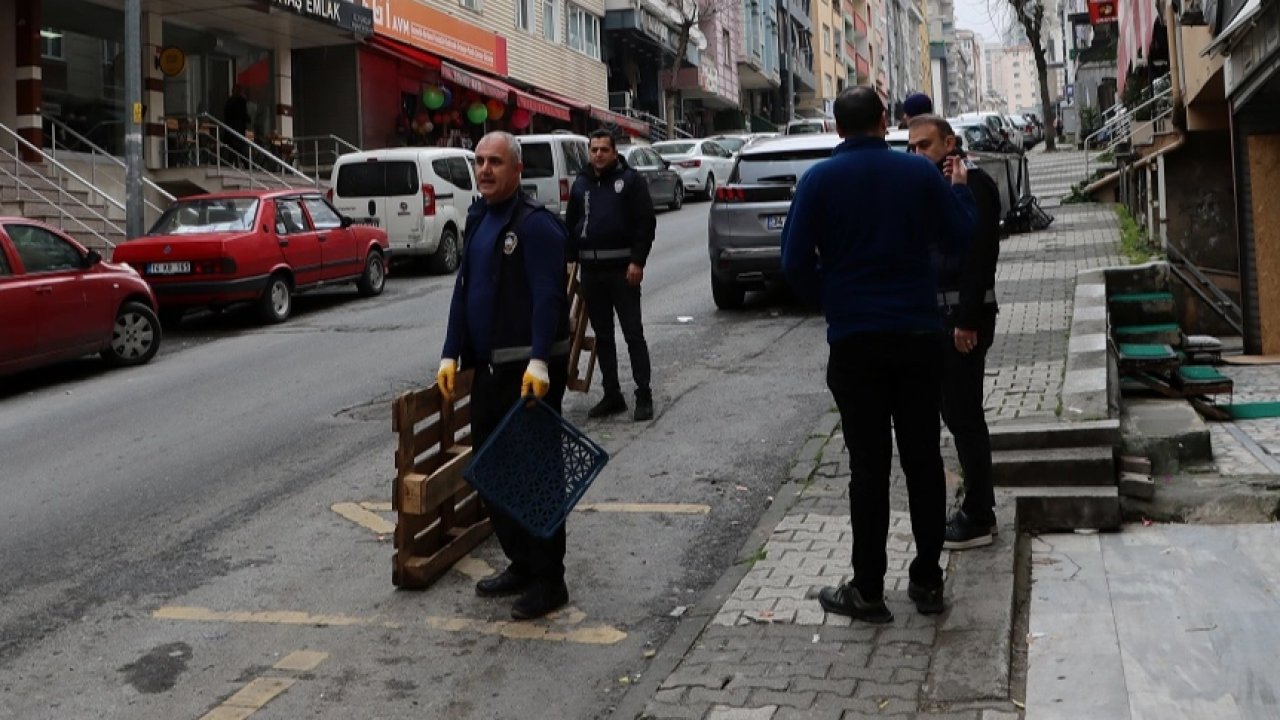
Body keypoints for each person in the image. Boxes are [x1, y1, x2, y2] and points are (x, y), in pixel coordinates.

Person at [781, 87, 976, 623]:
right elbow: (961, 237)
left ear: (837, 128)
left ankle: (868, 590)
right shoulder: (917, 175)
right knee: (923, 461)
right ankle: (928, 582)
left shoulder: (818, 181)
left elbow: (794, 264)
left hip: (855, 344)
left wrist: (835, 300)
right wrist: (959, 193)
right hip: (917, 335)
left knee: (867, 467)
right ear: (885, 121)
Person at [437, 131, 574, 621]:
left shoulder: (537, 227)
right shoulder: (478, 219)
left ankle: (549, 579)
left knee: (535, 476)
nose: (486, 170)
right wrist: (450, 353)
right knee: (494, 472)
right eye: (480, 162)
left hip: (527, 376)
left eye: (496, 161)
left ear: (517, 170)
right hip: (490, 372)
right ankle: (520, 562)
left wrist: (540, 361)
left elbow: (548, 297)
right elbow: (463, 290)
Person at [907, 114, 1003, 550]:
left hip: (964, 319)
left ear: (949, 143)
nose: (917, 154)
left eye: (925, 145)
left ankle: (980, 515)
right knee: (956, 415)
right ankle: (976, 504)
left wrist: (965, 320)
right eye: (911, 147)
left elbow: (978, 256)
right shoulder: (937, 187)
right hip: (942, 318)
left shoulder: (972, 184)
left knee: (965, 417)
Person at [564, 129, 657, 422]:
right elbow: (571, 224)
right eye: (594, 150)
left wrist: (637, 261)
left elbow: (645, 223)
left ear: (614, 153)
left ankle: (643, 394)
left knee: (633, 333)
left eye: (604, 149)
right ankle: (612, 394)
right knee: (603, 336)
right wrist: (569, 262)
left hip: (623, 271)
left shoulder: (630, 182)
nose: (599, 155)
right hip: (592, 273)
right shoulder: (580, 184)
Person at [222, 85, 251, 167]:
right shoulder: (241, 101)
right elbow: (244, 114)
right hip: (238, 129)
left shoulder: (229, 102)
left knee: (233, 148)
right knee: (239, 148)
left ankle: (231, 164)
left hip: (231, 129)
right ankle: (246, 165)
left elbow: (226, 115)